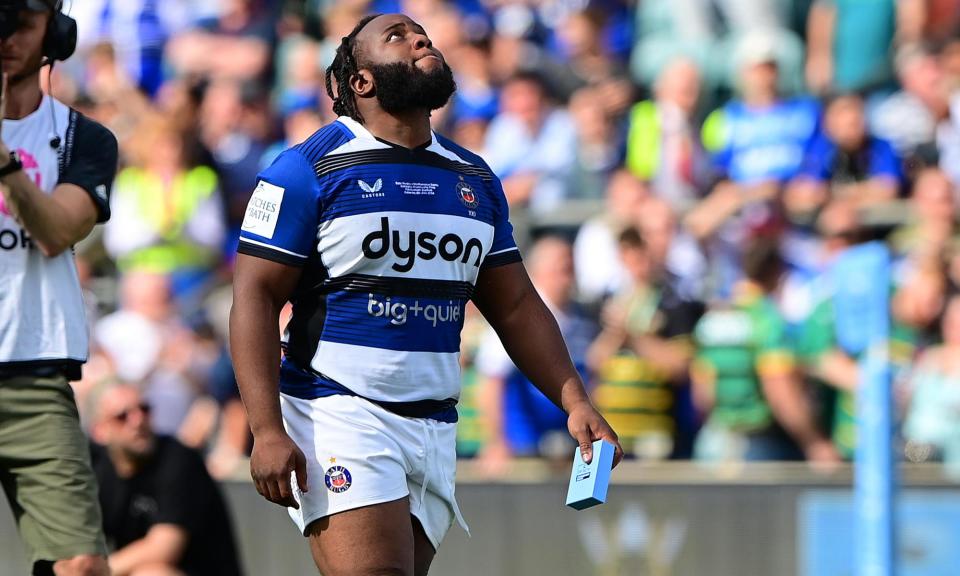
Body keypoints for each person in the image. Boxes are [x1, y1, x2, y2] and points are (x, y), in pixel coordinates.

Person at [229, 13, 622, 576]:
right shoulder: (304, 170)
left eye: (425, 35)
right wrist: (266, 429)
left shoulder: (475, 178)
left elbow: (514, 305)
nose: (421, 39)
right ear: (360, 81)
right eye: (397, 36)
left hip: (435, 423)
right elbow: (255, 299)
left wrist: (574, 399)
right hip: (338, 410)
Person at [0, 2, 118, 575]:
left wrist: (5, 166)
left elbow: (54, 233)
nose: (8, 37)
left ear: (56, 30)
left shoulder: (84, 139)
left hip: (33, 376)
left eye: (21, 20)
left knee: (82, 564)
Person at [88, 383, 243, 576]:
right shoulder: (100, 471)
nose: (138, 421)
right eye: (122, 416)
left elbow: (163, 550)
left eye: (144, 409)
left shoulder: (178, 459)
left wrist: (93, 572)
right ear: (99, 431)